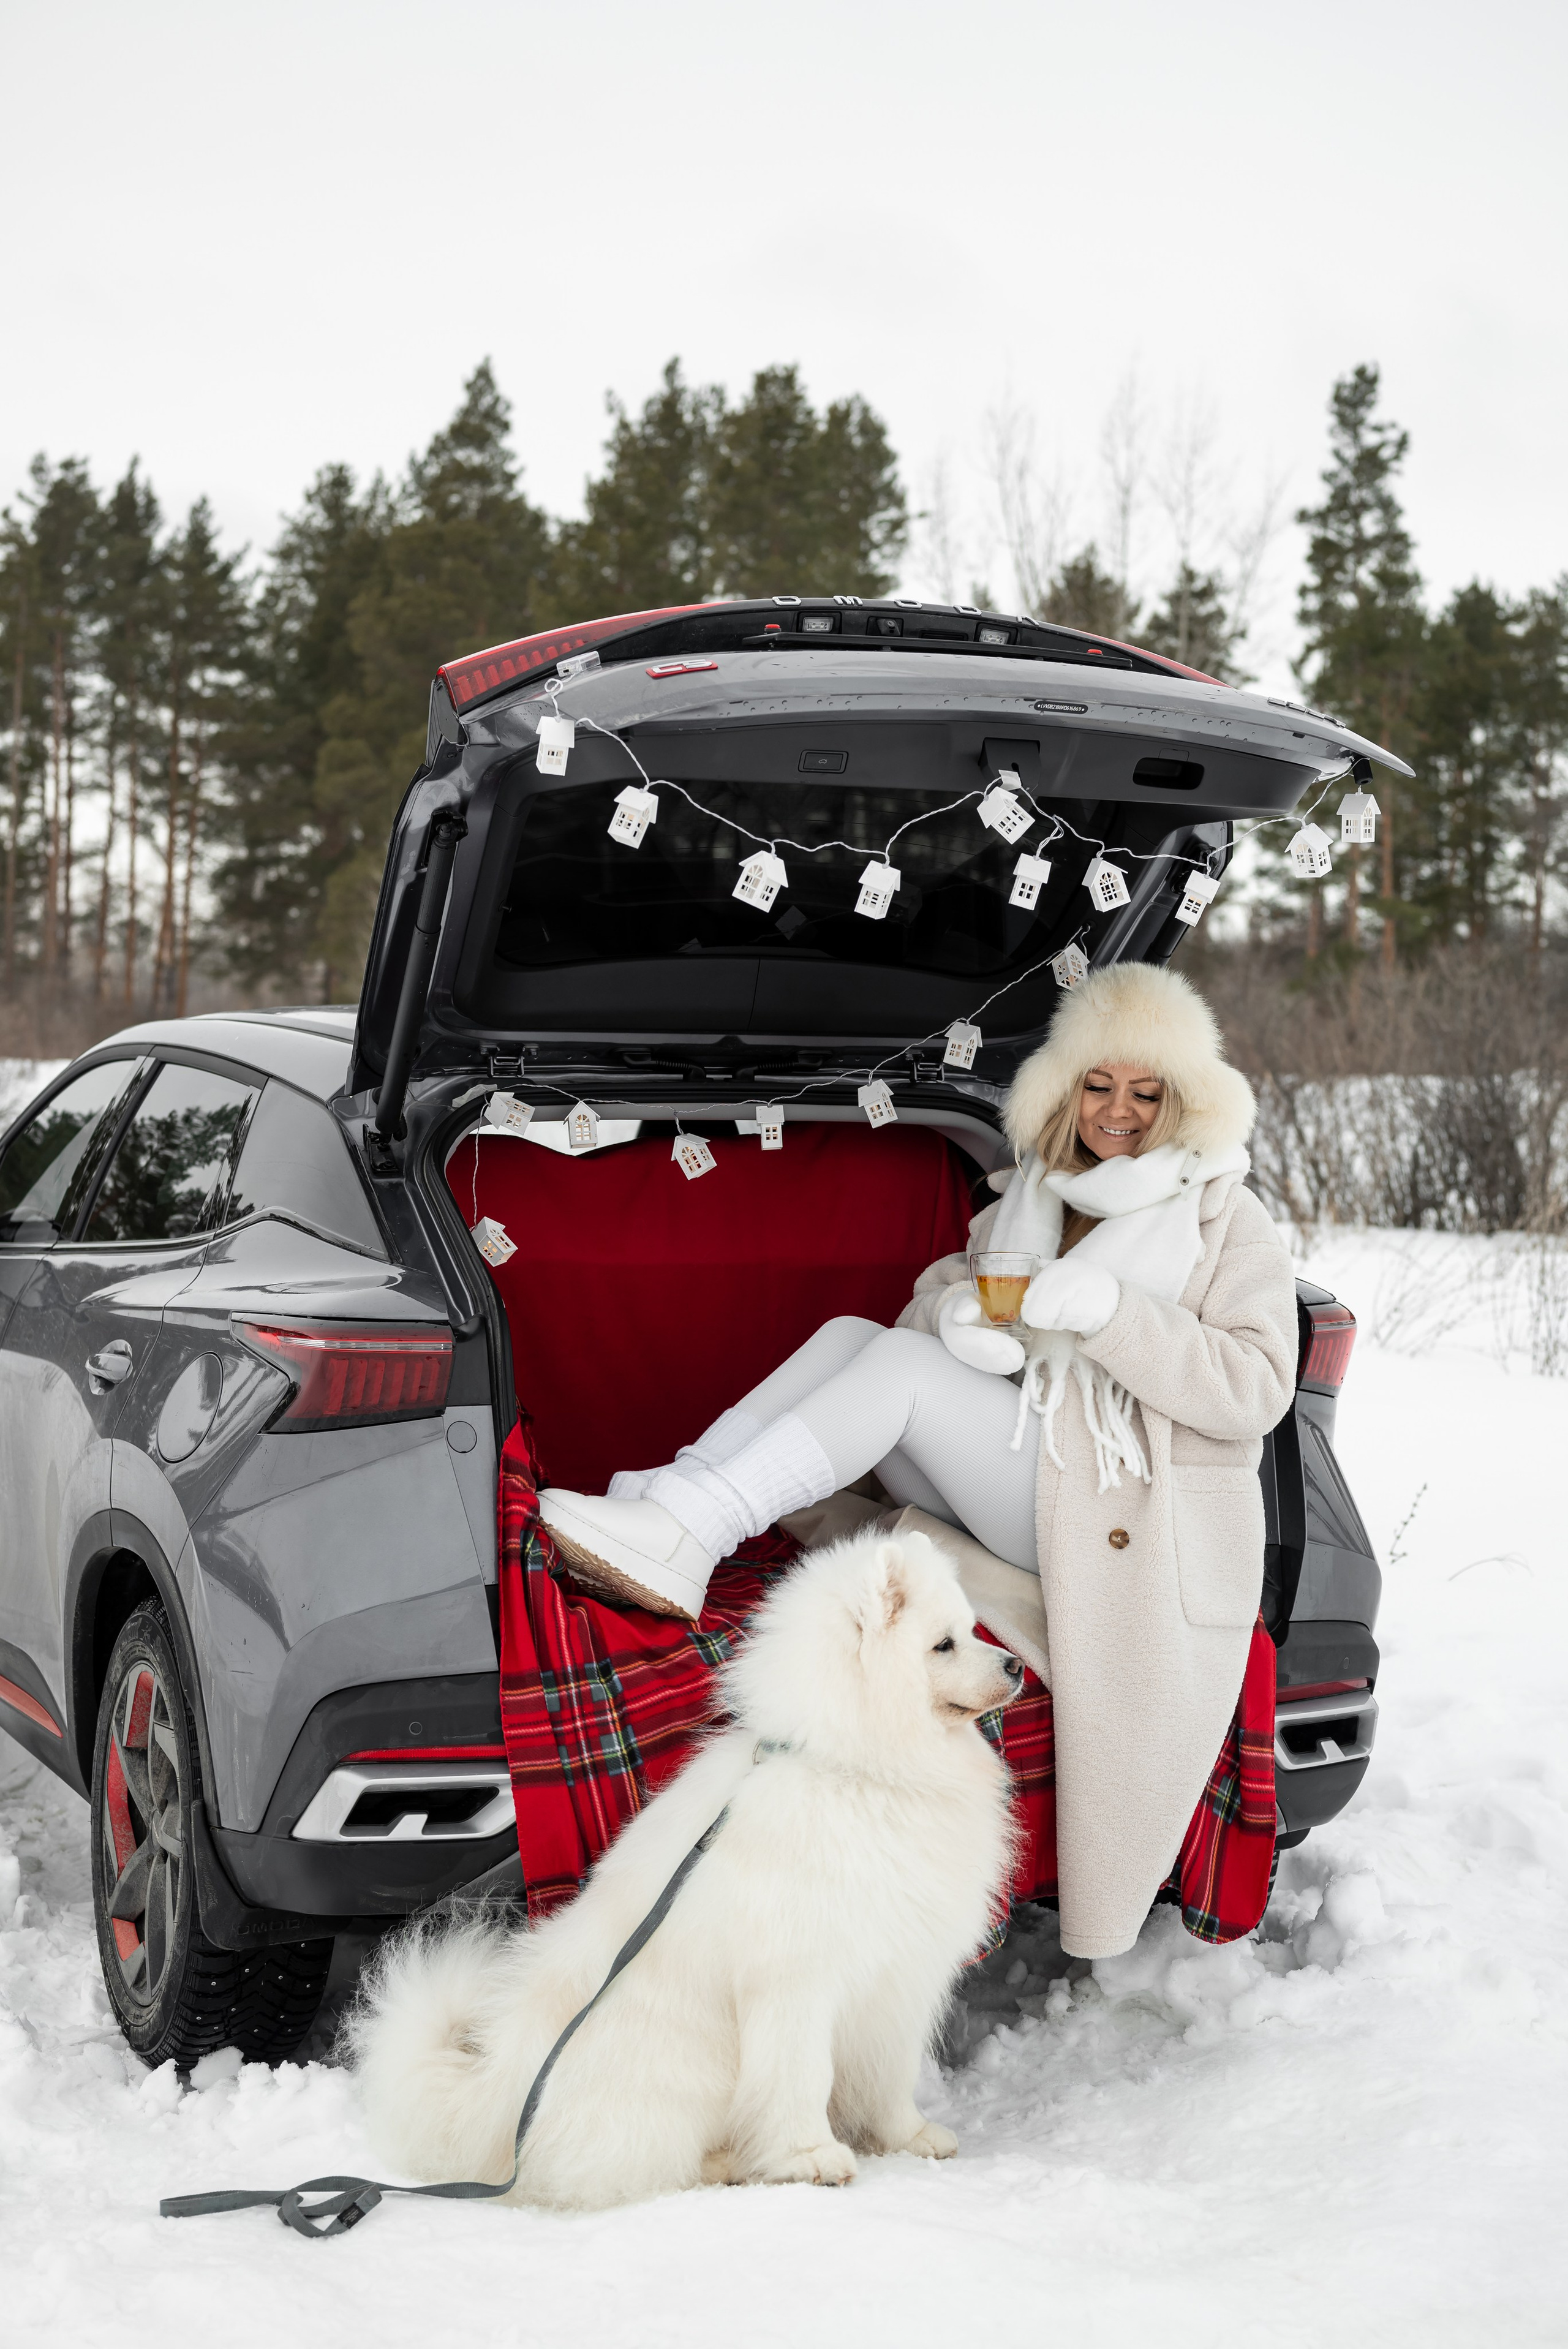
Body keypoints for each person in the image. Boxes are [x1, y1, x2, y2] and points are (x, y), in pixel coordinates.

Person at [540, 960, 1300, 1955]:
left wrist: (1117, 1316)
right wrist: (953, 1316)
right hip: (1030, 1465)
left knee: (898, 1370)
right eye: (1098, 1086)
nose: (1119, 1112)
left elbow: (1256, 1388)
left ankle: (699, 1526)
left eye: (1146, 1093)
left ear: (1185, 1101)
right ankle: (677, 1505)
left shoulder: (1221, 1217)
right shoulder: (1035, 1194)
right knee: (859, 1336)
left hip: (1117, 1510)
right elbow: (945, 1290)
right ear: (1065, 1090)